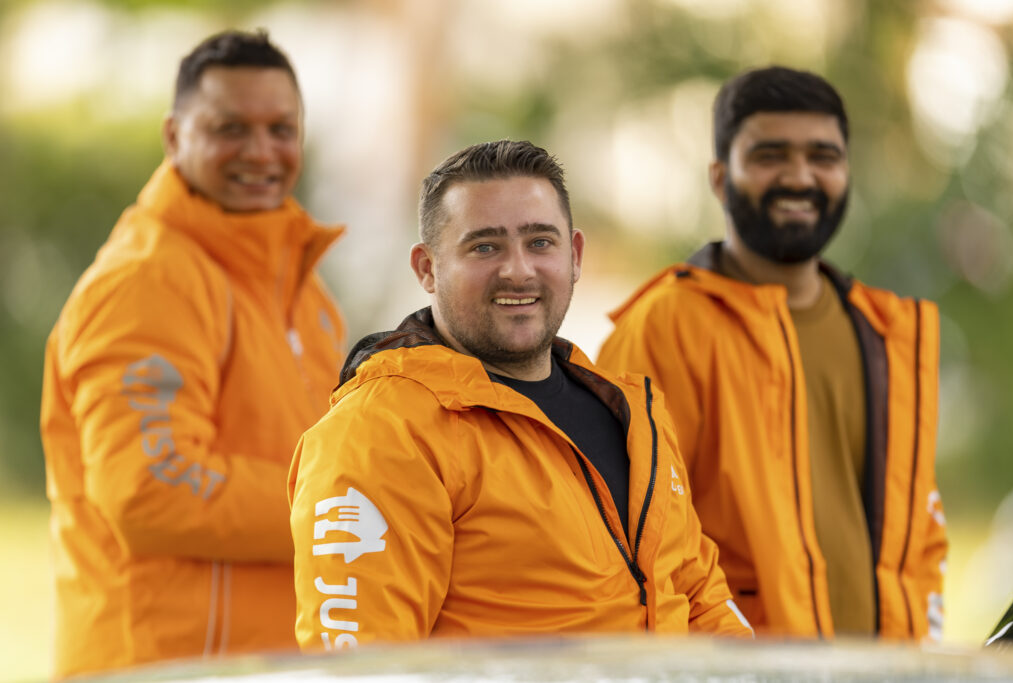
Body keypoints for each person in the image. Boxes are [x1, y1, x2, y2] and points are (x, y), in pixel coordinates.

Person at [288, 139, 752, 651]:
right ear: (427, 269)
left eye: (540, 242)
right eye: (484, 247)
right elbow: (362, 666)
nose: (518, 270)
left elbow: (700, 595)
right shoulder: (380, 433)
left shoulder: (633, 414)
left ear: (574, 255)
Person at [597, 66, 947, 641]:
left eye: (823, 156)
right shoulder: (665, 327)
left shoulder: (887, 332)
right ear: (719, 177)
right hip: (744, 672)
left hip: (889, 668)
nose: (799, 176)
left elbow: (919, 537)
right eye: (770, 155)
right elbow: (626, 545)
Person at [40, 30, 346, 677]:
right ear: (174, 136)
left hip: (262, 660)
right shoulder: (146, 280)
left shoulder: (299, 283)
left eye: (280, 129)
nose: (260, 151)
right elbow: (151, 491)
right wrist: (345, 506)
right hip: (162, 664)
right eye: (230, 128)